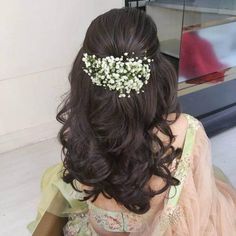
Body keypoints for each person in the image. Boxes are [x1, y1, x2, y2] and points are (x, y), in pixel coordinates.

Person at [27, 8, 236, 236]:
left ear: (84, 74)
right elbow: (198, 207)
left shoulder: (80, 128)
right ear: (158, 71)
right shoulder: (187, 130)